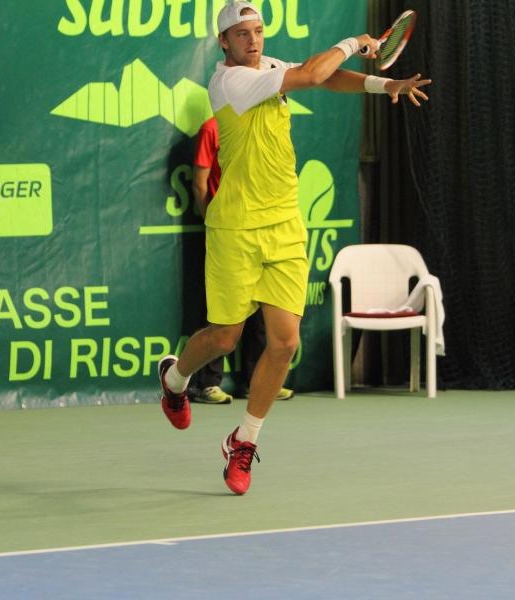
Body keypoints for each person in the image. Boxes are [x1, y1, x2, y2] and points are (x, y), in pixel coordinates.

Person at [159, 1, 431, 494]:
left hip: (285, 225)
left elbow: (330, 78)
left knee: (284, 343)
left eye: (258, 31)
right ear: (224, 42)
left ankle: (243, 441)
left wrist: (383, 85)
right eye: (242, 34)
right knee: (224, 338)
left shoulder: (269, 66)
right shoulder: (230, 82)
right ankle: (176, 380)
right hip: (235, 229)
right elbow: (311, 75)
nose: (253, 40)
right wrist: (353, 42)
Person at [189, 116, 294, 404]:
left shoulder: (265, 125)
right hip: (228, 231)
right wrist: (214, 222)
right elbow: (200, 183)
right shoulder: (211, 128)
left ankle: (255, 381)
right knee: (221, 317)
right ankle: (207, 384)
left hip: (264, 230)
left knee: (263, 309)